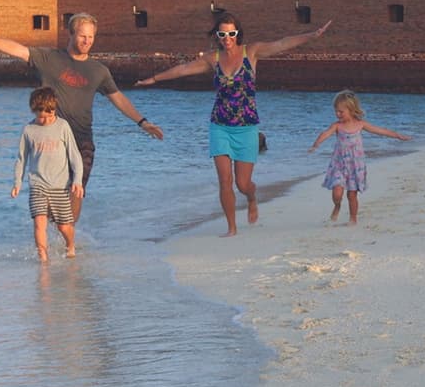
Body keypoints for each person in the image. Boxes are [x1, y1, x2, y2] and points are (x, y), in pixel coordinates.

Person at [136, 13, 332, 237]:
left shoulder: (252, 52)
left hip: (247, 127)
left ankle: (251, 198)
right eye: (222, 34)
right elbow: (183, 69)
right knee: (225, 181)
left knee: (242, 183)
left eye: (231, 33)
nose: (227, 38)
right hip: (219, 125)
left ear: (238, 34)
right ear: (217, 36)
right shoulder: (213, 58)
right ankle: (231, 228)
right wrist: (154, 79)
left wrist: (312, 35)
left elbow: (282, 43)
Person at [0, 13, 163, 228]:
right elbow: (19, 50)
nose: (87, 41)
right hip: (52, 141)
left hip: (82, 140)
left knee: (77, 190)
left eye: (91, 37)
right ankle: (52, 235)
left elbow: (118, 98)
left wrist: (142, 122)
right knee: (50, 196)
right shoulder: (49, 59)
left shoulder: (99, 71)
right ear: (70, 34)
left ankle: (68, 237)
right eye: (82, 36)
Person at [308, 90, 411, 225]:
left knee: (352, 195)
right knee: (337, 193)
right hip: (339, 164)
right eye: (336, 111)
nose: (337, 114)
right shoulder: (337, 126)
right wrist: (316, 144)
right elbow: (325, 134)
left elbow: (380, 130)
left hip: (355, 166)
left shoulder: (361, 124)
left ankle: (353, 219)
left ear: (351, 110)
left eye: (341, 111)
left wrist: (397, 135)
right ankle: (337, 206)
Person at [13, 87, 85, 261]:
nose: (45, 120)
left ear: (54, 110)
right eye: (41, 117)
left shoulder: (62, 126)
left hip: (60, 186)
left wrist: (77, 180)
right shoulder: (29, 130)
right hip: (37, 185)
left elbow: (74, 155)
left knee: (63, 227)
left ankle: (70, 245)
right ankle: (43, 259)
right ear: (34, 111)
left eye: (49, 116)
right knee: (39, 223)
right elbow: (21, 158)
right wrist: (17, 182)